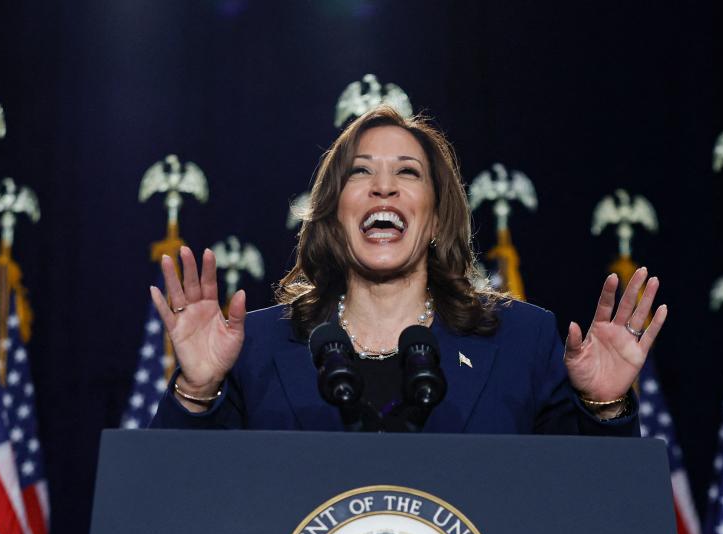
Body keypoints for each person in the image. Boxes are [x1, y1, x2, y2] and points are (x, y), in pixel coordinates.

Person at [148, 105, 666, 435]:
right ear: (334, 212)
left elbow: (586, 516)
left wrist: (605, 407)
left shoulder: (521, 343)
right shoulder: (256, 347)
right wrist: (196, 390)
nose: (384, 188)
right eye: (361, 173)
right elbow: (177, 507)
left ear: (438, 216)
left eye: (407, 173)